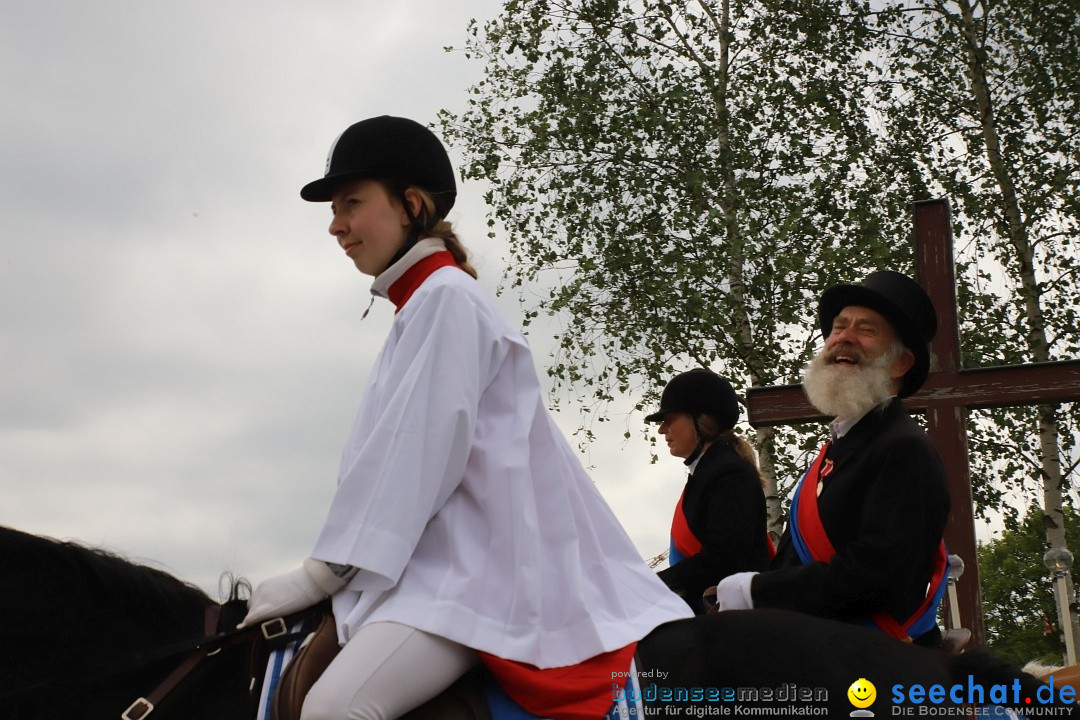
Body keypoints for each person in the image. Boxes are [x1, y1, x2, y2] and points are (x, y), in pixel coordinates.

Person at [238, 116, 691, 720]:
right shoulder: (422, 305)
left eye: (351, 203)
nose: (336, 225)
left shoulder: (446, 299)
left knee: (334, 711)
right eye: (335, 209)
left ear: (411, 204)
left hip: (472, 576)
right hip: (437, 568)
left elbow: (415, 459)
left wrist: (322, 575)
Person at [712, 270, 951, 647]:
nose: (844, 338)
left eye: (866, 329)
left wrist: (758, 591)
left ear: (901, 363)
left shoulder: (903, 448)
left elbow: (879, 574)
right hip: (821, 649)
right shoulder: (843, 445)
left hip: (870, 668)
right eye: (839, 326)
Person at [645, 368, 770, 614]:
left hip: (733, 621)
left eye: (669, 419)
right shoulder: (710, 470)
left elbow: (723, 560)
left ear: (700, 420)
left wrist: (652, 586)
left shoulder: (728, 473)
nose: (662, 430)